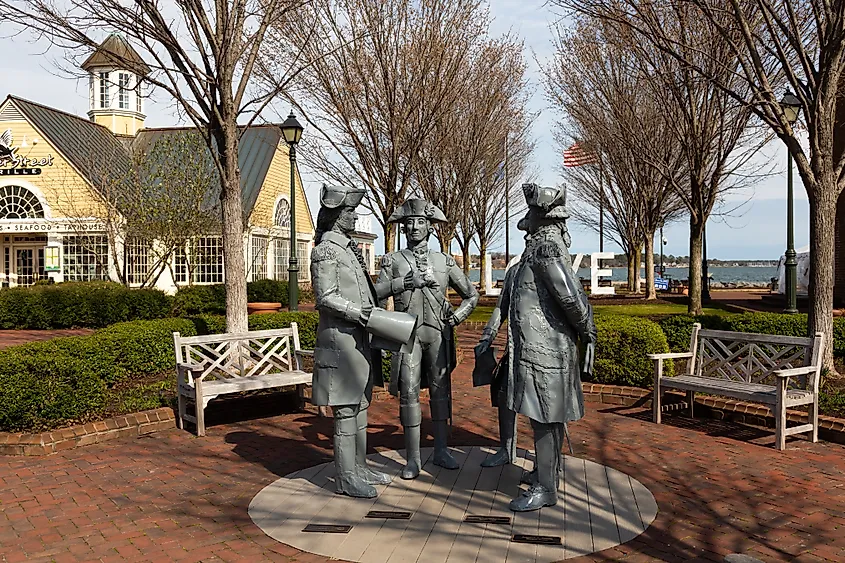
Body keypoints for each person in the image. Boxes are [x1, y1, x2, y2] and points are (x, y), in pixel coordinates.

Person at [476, 183, 596, 512]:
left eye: (530, 221)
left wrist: (588, 331)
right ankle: (548, 471)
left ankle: (546, 487)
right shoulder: (537, 251)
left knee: (544, 415)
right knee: (546, 415)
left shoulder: (546, 249)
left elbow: (570, 297)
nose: (526, 230)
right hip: (536, 349)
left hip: (545, 350)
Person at [377, 198, 479, 479]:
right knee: (409, 391)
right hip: (407, 335)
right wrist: (404, 283)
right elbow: (376, 294)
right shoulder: (393, 260)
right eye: (409, 223)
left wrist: (458, 317)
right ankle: (412, 458)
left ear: (430, 228)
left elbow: (471, 295)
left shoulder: (443, 261)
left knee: (440, 390)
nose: (414, 227)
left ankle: (442, 450)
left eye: (420, 222)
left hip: (437, 333)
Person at [311, 184, 394, 498]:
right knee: (346, 411)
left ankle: (359, 468)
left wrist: (400, 283)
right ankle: (346, 479)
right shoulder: (325, 251)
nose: (354, 215)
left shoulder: (348, 249)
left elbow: (369, 294)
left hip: (358, 343)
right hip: (340, 345)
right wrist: (360, 315)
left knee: (360, 406)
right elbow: (325, 298)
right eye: (348, 211)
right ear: (335, 215)